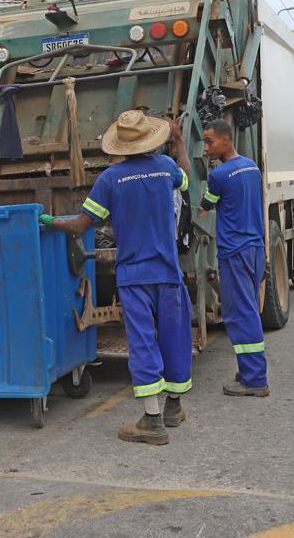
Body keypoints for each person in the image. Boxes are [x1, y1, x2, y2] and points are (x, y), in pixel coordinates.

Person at [43, 110, 192, 446]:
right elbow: (186, 175)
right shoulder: (166, 168)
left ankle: (152, 421)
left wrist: (50, 220)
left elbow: (81, 225)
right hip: (168, 272)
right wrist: (179, 140)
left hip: (134, 276)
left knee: (143, 342)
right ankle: (173, 407)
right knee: (174, 337)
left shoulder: (110, 179)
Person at [199, 120, 269, 397]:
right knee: (248, 309)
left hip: (234, 252)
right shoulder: (251, 166)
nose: (206, 148)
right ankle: (249, 370)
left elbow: (205, 205)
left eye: (209, 141)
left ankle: (254, 380)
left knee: (240, 314)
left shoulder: (219, 175)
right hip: (253, 248)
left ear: (226, 140)